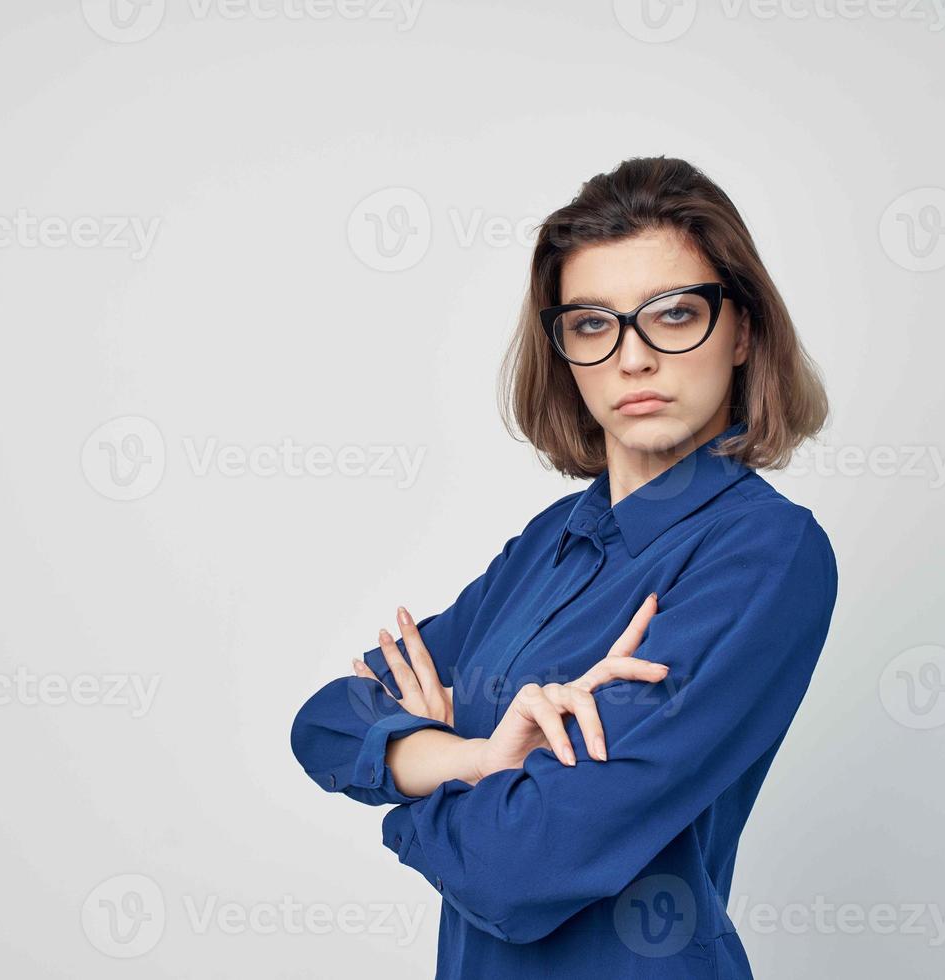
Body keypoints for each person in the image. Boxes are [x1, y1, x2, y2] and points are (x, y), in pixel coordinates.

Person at [290, 155, 839, 979]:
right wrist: (473, 760)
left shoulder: (763, 553)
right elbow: (326, 722)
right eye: (592, 323)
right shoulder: (550, 542)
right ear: (565, 350)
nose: (633, 358)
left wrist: (406, 789)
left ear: (743, 330)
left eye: (675, 314)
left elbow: (518, 869)